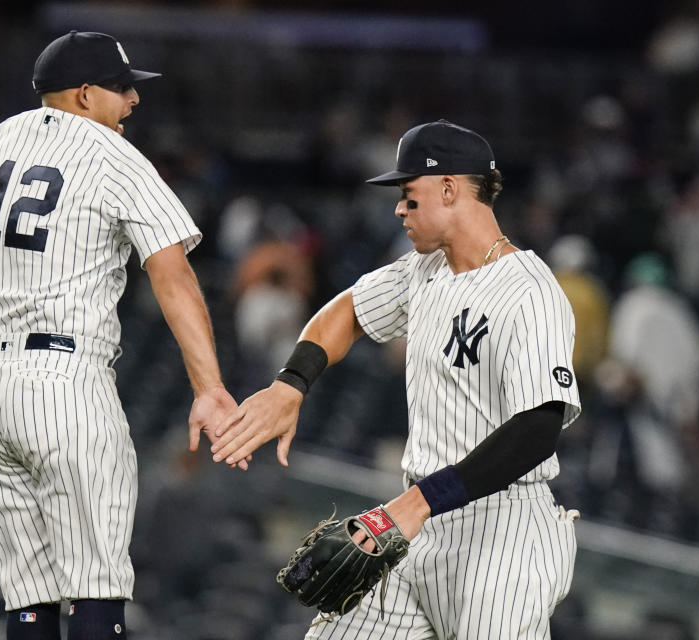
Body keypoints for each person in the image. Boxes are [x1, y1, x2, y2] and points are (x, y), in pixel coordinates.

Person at [211, 120, 582, 639]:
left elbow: (538, 429)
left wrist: (415, 504)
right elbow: (345, 312)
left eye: (409, 195)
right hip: (419, 523)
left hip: (502, 534)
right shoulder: (423, 270)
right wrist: (290, 384)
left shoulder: (530, 291)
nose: (398, 209)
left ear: (450, 188)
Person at [0, 31, 242, 640]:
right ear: (85, 95)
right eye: (121, 88)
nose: (134, 100)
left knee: (27, 599)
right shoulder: (113, 155)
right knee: (96, 588)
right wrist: (210, 388)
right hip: (64, 382)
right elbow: (173, 275)